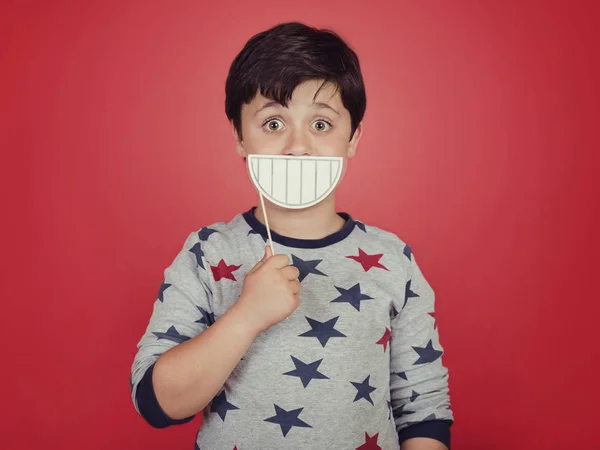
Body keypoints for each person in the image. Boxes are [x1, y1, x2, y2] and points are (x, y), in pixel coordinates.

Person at [130, 21, 454, 450]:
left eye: (321, 125)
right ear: (239, 137)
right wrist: (246, 316)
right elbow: (157, 403)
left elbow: (424, 411)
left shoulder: (393, 260)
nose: (297, 146)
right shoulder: (208, 253)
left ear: (353, 137)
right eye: (273, 124)